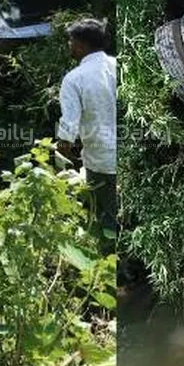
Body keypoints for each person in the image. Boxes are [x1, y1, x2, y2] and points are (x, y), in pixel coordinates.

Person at [57, 18, 117, 251]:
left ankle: (112, 271)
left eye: (71, 42)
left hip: (101, 163)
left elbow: (68, 128)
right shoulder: (119, 65)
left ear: (81, 45)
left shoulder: (75, 79)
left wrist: (61, 157)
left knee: (107, 221)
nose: (69, 47)